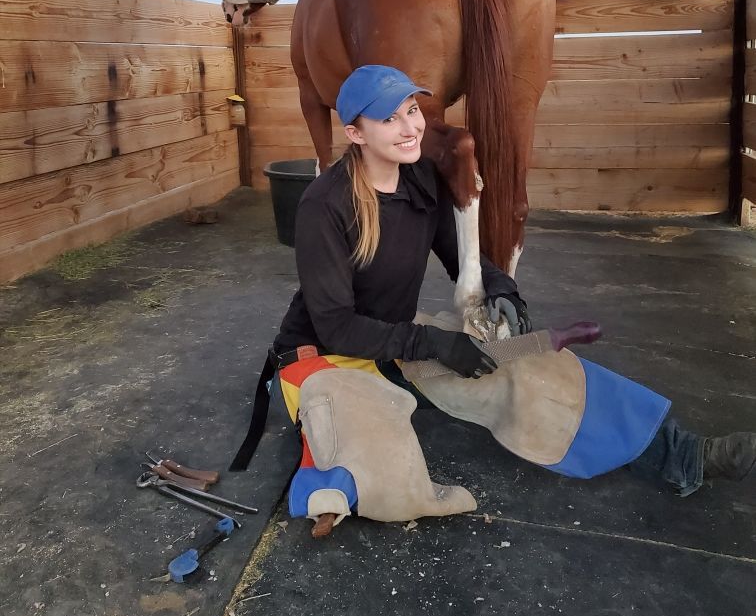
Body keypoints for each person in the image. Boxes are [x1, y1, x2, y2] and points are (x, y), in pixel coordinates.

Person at [241, 65, 755, 537]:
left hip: (395, 342)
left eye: (412, 110)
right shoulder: (324, 205)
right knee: (387, 475)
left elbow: (460, 257)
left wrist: (502, 287)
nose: (410, 127)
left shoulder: (420, 178)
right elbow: (335, 326)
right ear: (356, 134)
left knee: (531, 365)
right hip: (321, 356)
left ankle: (683, 454)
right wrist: (434, 343)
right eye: (388, 119)